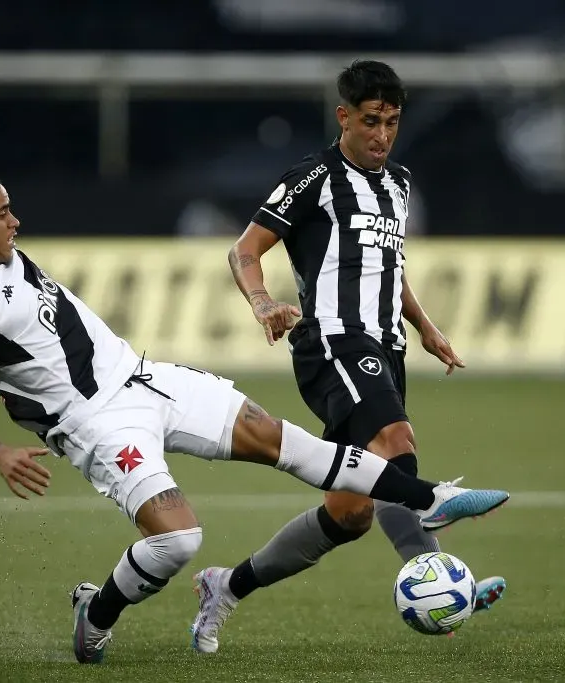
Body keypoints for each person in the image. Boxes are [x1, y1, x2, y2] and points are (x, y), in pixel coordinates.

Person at [0, 45, 509, 665]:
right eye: (3, 215)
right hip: (97, 424)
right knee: (177, 540)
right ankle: (99, 612)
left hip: (141, 377)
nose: (16, 222)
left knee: (280, 441)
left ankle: (425, 498)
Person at [190, 60, 507, 654]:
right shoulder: (312, 177)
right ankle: (435, 547)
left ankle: (225, 586)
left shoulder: (399, 183)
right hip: (332, 342)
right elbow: (244, 250)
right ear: (344, 117)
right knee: (396, 442)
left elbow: (389, 265)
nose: (383, 135)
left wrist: (426, 327)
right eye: (371, 121)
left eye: (392, 122)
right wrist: (261, 303)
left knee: (353, 509)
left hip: (384, 346)